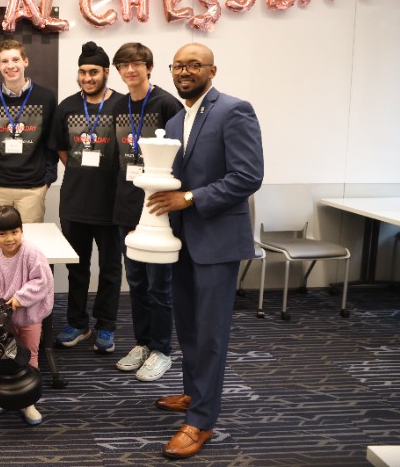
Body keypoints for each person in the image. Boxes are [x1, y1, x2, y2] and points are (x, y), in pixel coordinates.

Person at [147, 43, 263, 459]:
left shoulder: (234, 110)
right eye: (178, 66)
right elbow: (176, 178)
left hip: (216, 240)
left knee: (211, 333)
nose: (185, 72)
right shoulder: (178, 118)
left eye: (194, 65)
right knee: (190, 328)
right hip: (182, 242)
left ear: (212, 70)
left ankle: (201, 421)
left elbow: (249, 176)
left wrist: (191, 198)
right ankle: (194, 393)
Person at [110, 43, 182, 382]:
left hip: (159, 208)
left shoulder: (167, 104)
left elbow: (184, 155)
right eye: (123, 65)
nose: (129, 70)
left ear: (149, 67)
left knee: (159, 285)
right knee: (136, 281)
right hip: (128, 206)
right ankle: (141, 343)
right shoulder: (117, 105)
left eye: (136, 64)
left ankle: (162, 349)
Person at [48, 41, 124, 354]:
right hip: (75, 202)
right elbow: (60, 148)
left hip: (113, 203)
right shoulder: (66, 106)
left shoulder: (122, 105)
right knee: (77, 268)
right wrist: (81, 169)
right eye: (82, 72)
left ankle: (106, 326)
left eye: (93, 72)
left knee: (110, 268)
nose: (87, 77)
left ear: (106, 72)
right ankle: (78, 323)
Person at [0, 205, 54, 426]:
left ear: (22, 231)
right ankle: (4, 398)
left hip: (29, 317)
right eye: (2, 233)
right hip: (6, 323)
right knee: (5, 358)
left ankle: (29, 400)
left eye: (14, 232)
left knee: (29, 356)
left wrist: (19, 299)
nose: (10, 238)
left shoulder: (32, 253)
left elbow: (42, 281)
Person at [0, 39, 57, 222]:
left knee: (30, 242)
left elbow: (52, 141)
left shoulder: (45, 97)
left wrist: (48, 177)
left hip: (32, 187)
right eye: (4, 61)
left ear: (25, 61)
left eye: (15, 60)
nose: (10, 66)